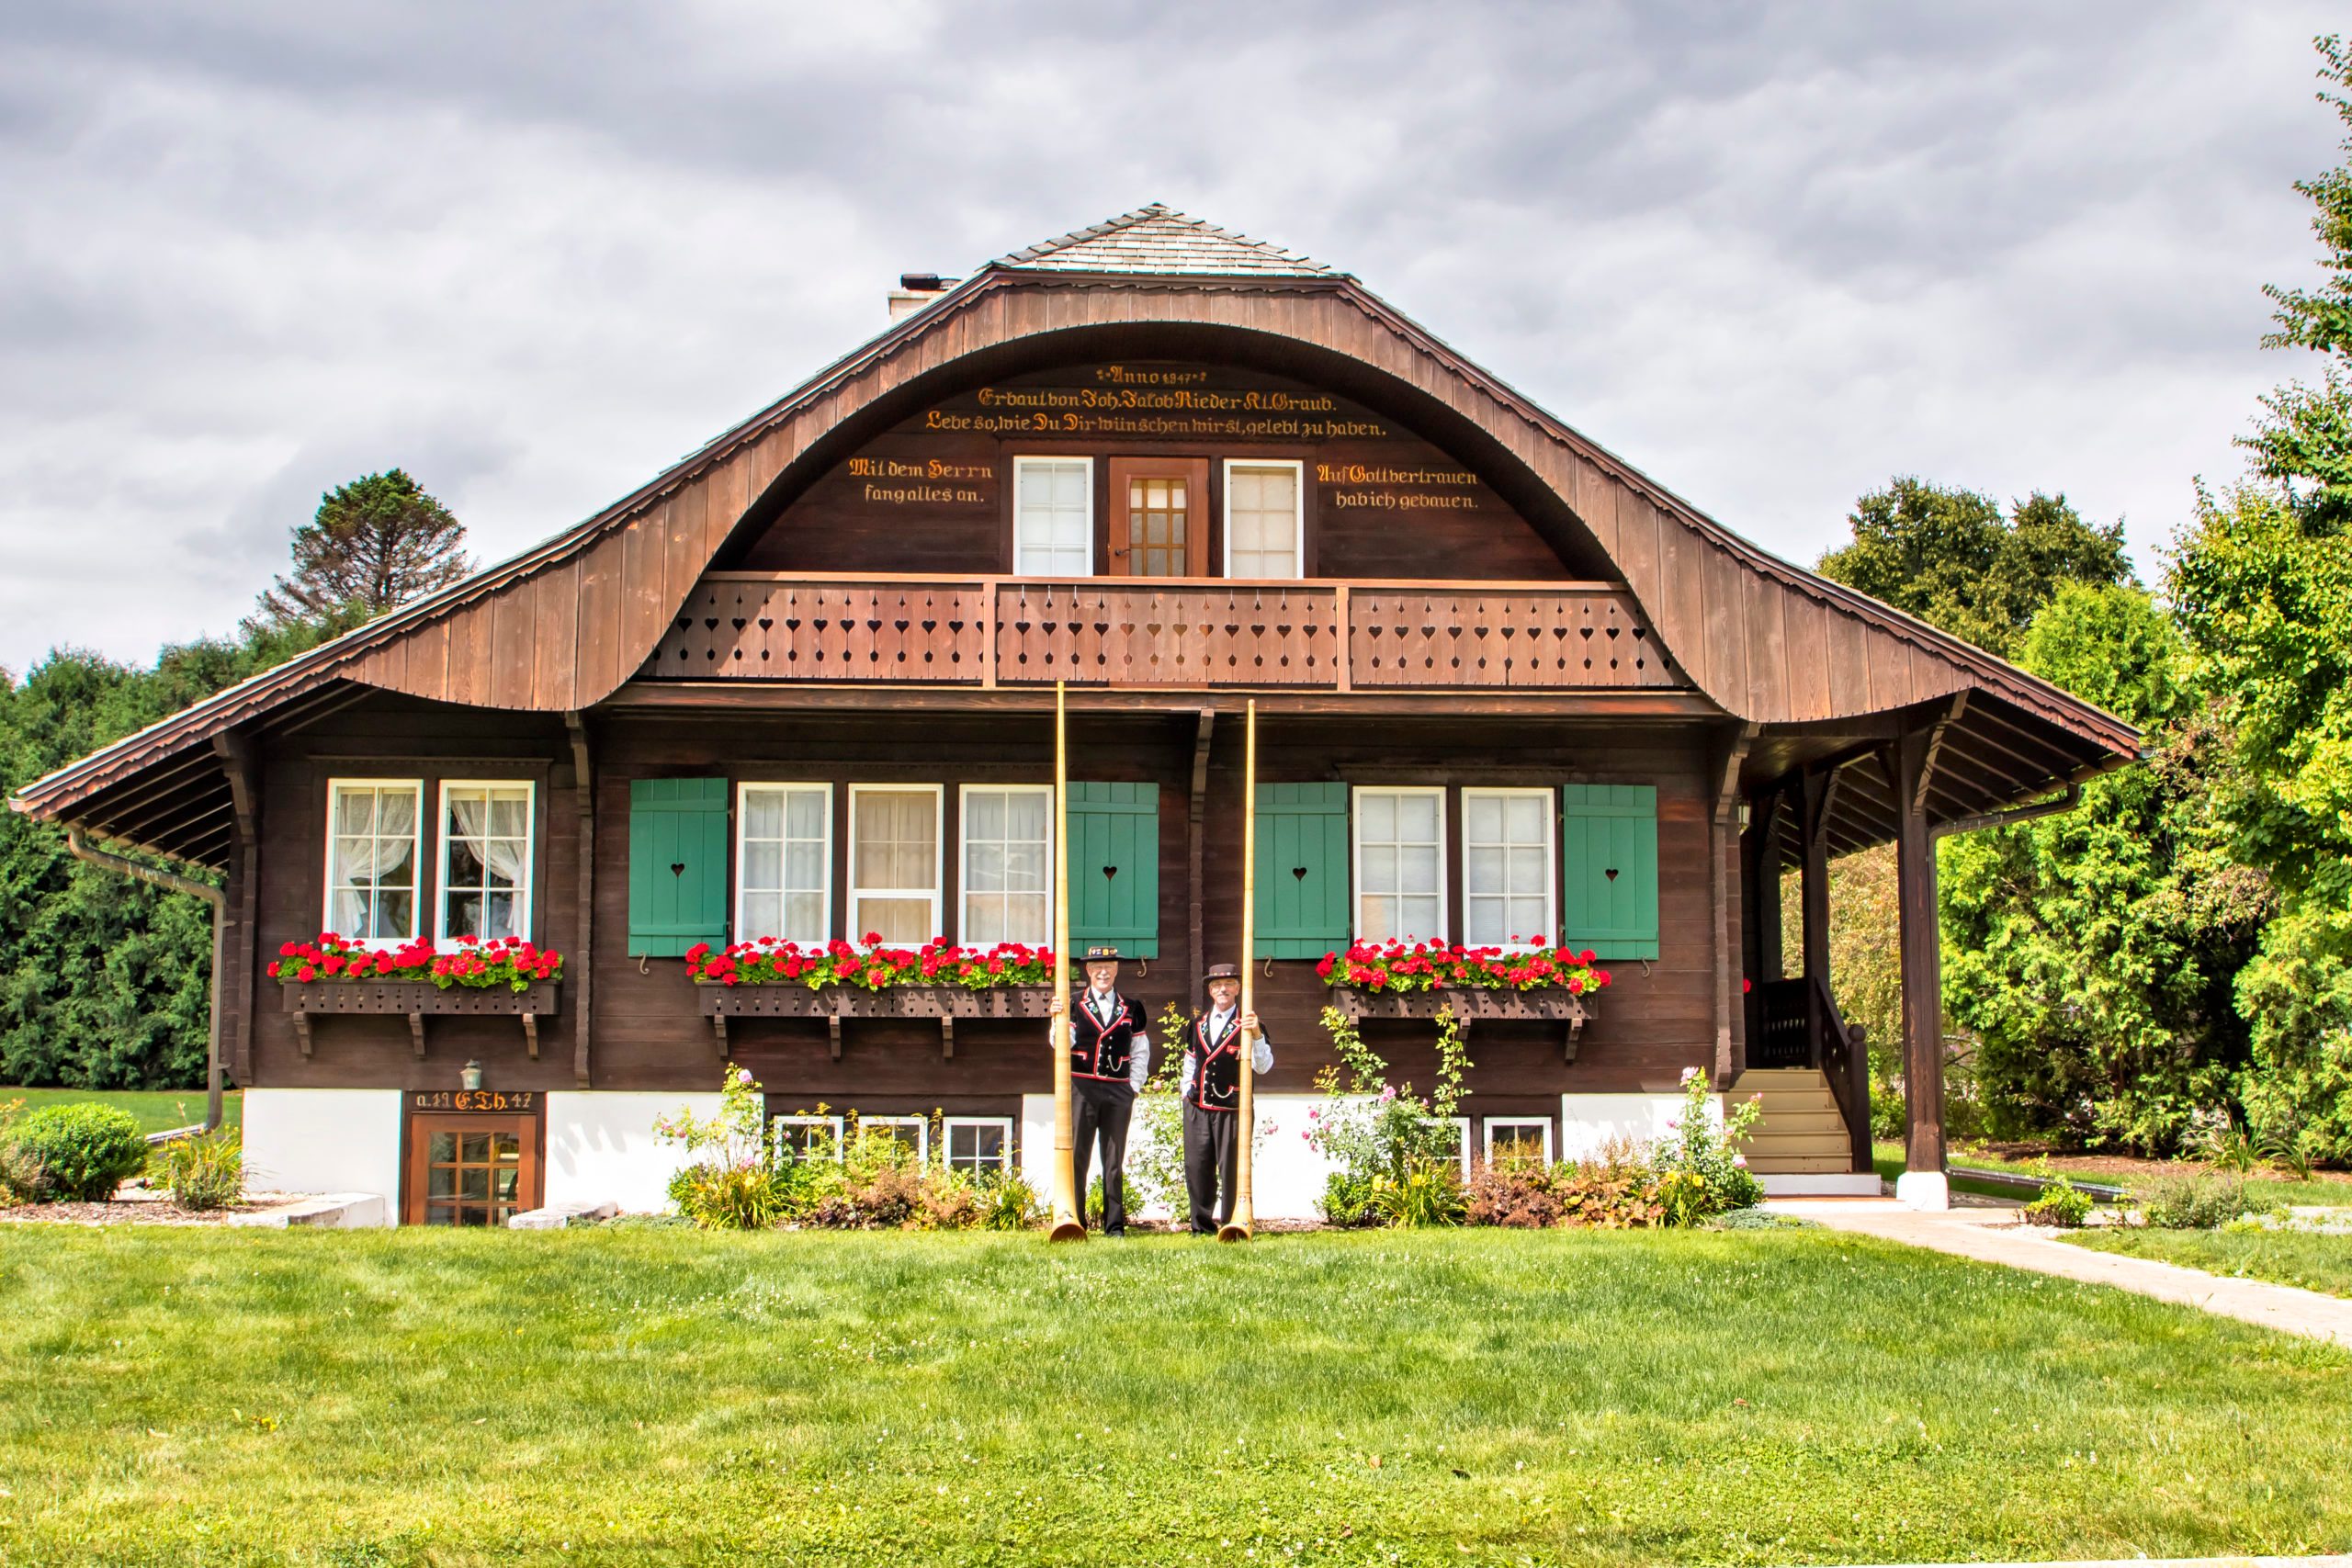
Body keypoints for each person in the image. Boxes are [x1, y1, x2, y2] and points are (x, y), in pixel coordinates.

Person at [1046, 944, 1148, 1235]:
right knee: (1078, 1156)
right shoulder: (1073, 1003)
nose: (1104, 972)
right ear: (1089, 971)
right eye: (1098, 967)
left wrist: (1134, 1086)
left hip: (1118, 1090)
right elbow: (1062, 1044)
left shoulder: (1132, 1007)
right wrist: (1057, 1019)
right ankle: (1074, 1220)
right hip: (1082, 1088)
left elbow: (1141, 1049)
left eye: (1110, 967)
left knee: (1114, 1160)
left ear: (1116, 970)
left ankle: (1114, 1225)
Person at [1181, 962, 1273, 1235]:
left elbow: (1264, 1065)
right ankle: (1201, 1227)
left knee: (1233, 1169)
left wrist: (1256, 1034)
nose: (1223, 989)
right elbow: (1190, 1062)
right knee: (1197, 1167)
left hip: (1234, 1109)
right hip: (1198, 1107)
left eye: (1229, 984)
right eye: (1218, 985)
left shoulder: (1250, 1024)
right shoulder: (1196, 1024)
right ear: (1211, 991)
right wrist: (1186, 1093)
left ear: (1238, 989)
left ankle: (1233, 1223)